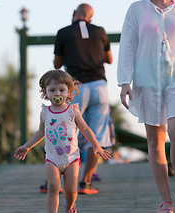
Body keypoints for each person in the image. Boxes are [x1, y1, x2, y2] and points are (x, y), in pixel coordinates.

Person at [14, 70, 111, 213]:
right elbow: (40, 133)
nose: (57, 93)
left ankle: (70, 206)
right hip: (52, 158)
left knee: (71, 190)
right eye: (52, 90)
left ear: (69, 92)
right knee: (53, 186)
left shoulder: (73, 110)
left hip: (71, 158)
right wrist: (27, 146)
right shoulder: (45, 111)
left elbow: (85, 129)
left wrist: (96, 145)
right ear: (45, 92)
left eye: (61, 90)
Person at [118, 0, 175, 213]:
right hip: (147, 79)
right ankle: (166, 200)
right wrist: (124, 82)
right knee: (155, 140)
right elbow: (128, 44)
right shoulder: (137, 9)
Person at [53, 4, 113, 194]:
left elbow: (57, 63)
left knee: (65, 132)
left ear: (74, 14)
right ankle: (86, 183)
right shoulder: (100, 31)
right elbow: (109, 58)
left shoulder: (63, 32)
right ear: (91, 18)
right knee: (98, 136)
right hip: (99, 87)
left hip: (75, 87)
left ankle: (55, 181)